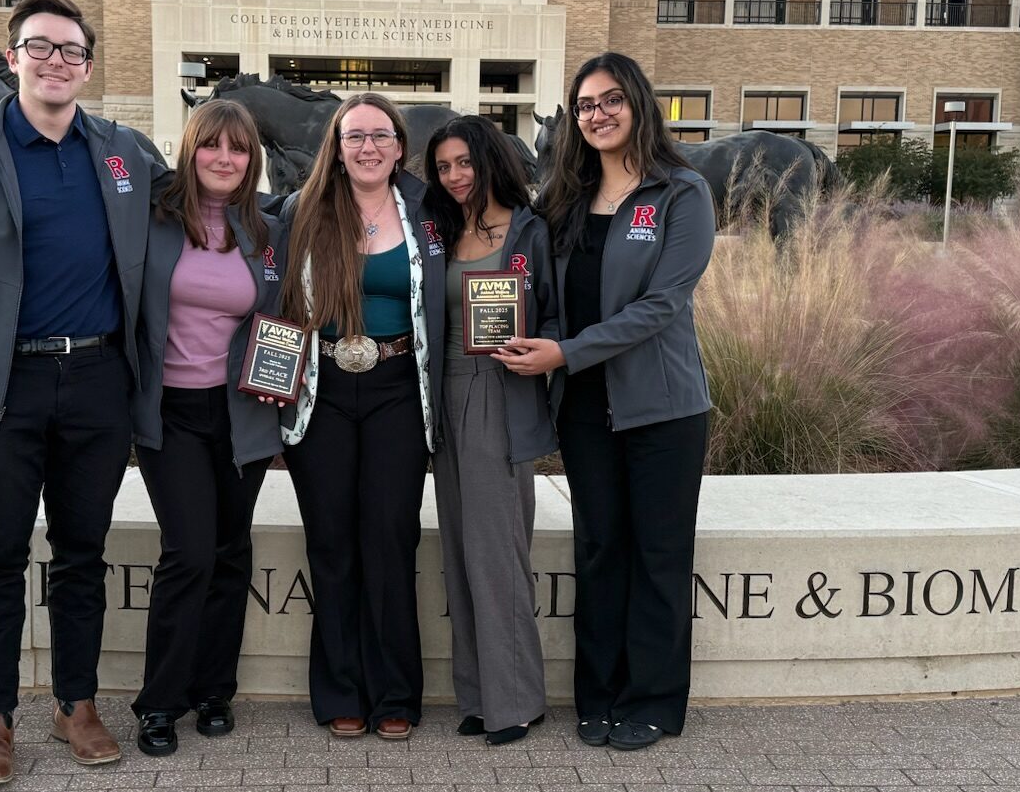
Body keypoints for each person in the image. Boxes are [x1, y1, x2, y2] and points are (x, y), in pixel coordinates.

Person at [0, 0, 166, 787]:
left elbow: (204, 208)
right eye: (40, 47)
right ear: (12, 57)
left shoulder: (122, 153)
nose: (56, 61)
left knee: (83, 554)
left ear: (87, 64)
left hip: (97, 381)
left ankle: (76, 702)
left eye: (71, 50)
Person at [498, 51, 715, 752]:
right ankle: (596, 694)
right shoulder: (563, 199)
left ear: (639, 104)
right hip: (586, 408)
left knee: (656, 554)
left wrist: (566, 351)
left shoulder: (680, 193)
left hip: (663, 406)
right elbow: (551, 299)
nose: (598, 113)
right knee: (599, 550)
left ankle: (651, 700)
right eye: (586, 104)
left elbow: (661, 305)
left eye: (611, 99)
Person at [275, 92, 445, 740]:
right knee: (332, 542)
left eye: (380, 135)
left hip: (400, 387)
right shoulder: (302, 211)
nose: (368, 146)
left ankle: (397, 691)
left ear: (400, 146)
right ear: (337, 148)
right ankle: (342, 688)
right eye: (354, 136)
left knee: (391, 537)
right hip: (323, 389)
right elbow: (272, 290)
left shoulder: (430, 213)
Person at [128, 98, 281, 757]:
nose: (224, 158)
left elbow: (284, 318)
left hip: (241, 411)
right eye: (212, 145)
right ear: (191, 149)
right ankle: (160, 701)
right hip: (171, 413)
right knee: (187, 551)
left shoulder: (265, 231)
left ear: (252, 161)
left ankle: (216, 689)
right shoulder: (154, 221)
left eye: (238, 149)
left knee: (229, 550)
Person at [422, 116, 559, 746]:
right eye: (444, 166)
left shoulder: (530, 231)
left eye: (464, 164)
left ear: (490, 161)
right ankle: (477, 696)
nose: (454, 177)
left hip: (499, 391)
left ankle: (516, 702)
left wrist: (546, 349)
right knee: (458, 550)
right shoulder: (439, 230)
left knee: (499, 552)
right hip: (440, 396)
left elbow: (559, 315)